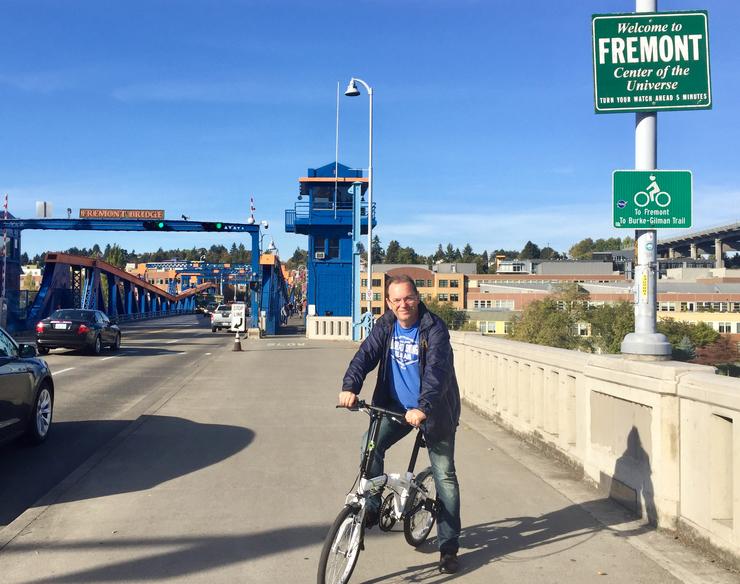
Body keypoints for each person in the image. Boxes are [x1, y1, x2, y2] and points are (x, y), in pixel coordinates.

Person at [339, 274, 462, 574]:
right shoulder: (386, 324)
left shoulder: (434, 330)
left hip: (433, 412)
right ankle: (371, 505)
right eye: (397, 300)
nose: (403, 304)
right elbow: (365, 355)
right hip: (394, 408)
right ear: (389, 303)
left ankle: (448, 547)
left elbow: (437, 373)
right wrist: (350, 386)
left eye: (408, 298)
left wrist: (423, 407)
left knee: (444, 476)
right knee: (370, 444)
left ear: (417, 297)